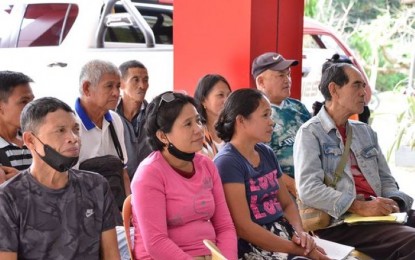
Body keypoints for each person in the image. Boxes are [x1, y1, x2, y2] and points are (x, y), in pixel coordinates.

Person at [294, 62, 415, 259]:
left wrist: (393, 202)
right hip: (340, 223)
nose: (364, 93)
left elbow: (386, 179)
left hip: (377, 216)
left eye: (364, 86)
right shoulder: (310, 133)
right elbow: (309, 189)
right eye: (357, 85)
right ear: (334, 90)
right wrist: (359, 206)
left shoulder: (364, 131)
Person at [214, 88, 328, 260]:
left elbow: (287, 204)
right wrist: (297, 249)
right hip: (255, 245)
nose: (272, 122)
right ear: (241, 121)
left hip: (284, 235)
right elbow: (244, 227)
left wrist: (301, 235)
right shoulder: (228, 162)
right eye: (265, 115)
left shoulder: (266, 153)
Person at [0, 97, 120, 259]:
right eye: (60, 130)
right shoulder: (8, 198)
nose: (73, 138)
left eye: (76, 129)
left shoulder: (96, 186)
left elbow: (112, 254)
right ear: (30, 140)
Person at [131, 91, 237, 259]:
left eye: (198, 121)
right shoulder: (149, 174)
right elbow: (156, 243)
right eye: (188, 124)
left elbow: (225, 227)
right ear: (163, 136)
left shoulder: (207, 165)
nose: (198, 129)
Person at [252, 52, 311, 198]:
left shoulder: (299, 108)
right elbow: (263, 166)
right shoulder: (253, 115)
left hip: (312, 185)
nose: (288, 80)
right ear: (261, 82)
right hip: (282, 195)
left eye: (288, 74)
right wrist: (297, 189)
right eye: (281, 76)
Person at [74, 59, 130, 196]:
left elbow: (123, 173)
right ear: (87, 88)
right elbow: (66, 181)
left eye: (118, 86)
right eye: (109, 86)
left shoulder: (115, 120)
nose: (116, 93)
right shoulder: (70, 124)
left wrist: (129, 210)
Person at [116, 60, 152, 179]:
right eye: (135, 80)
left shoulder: (154, 115)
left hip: (150, 184)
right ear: (121, 84)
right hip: (120, 187)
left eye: (145, 80)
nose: (142, 86)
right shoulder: (110, 117)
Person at [311, 54, 371, 124]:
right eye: (356, 85)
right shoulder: (311, 130)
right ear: (333, 89)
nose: (363, 92)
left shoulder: (362, 115)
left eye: (363, 86)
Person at [0, 71, 34, 183]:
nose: (32, 108)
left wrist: (23, 179)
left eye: (32, 101)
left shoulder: (40, 141)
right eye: (24, 101)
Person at [194, 74, 232, 159]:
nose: (226, 101)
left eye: (229, 95)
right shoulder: (196, 134)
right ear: (203, 100)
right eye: (220, 95)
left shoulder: (234, 131)